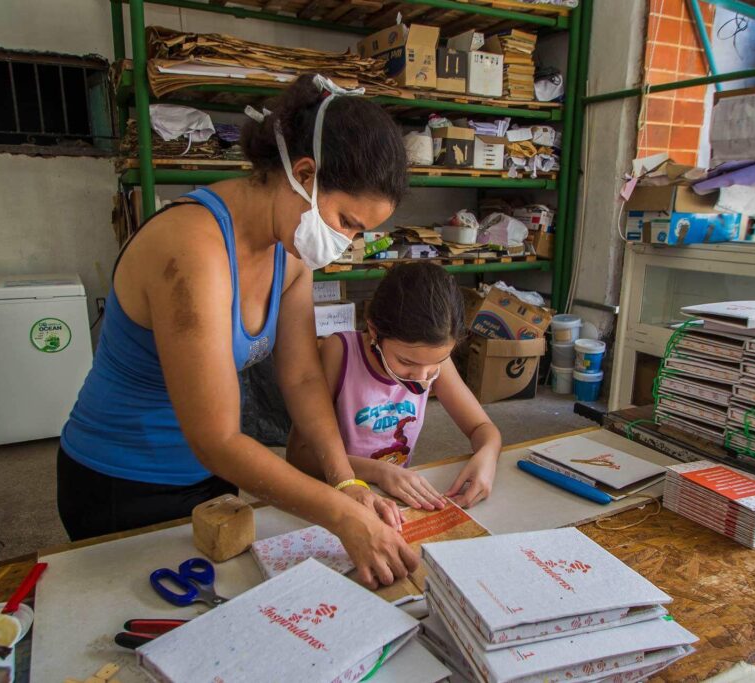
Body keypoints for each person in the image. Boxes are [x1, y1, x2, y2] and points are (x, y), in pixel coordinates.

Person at [57, 75, 417, 588]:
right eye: (347, 221)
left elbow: (302, 381)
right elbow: (218, 437)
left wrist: (345, 481)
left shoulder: (290, 250)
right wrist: (340, 516)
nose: (347, 241)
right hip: (123, 480)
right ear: (304, 173)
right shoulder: (191, 248)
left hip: (215, 478)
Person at [288, 262, 501, 510]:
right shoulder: (340, 353)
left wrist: (487, 454)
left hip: (392, 497)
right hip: (336, 495)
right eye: (405, 361)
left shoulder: (433, 360)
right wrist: (379, 472)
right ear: (374, 330)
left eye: (436, 363)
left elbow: (482, 428)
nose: (422, 377)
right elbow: (299, 454)